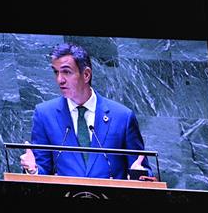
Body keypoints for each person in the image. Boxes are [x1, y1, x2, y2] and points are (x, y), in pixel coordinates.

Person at [20, 42, 152, 181]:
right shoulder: (45, 115)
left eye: (66, 72)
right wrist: (32, 170)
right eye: (56, 72)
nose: (60, 80)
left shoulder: (122, 117)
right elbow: (42, 171)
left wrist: (139, 174)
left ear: (86, 74)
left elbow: (141, 170)